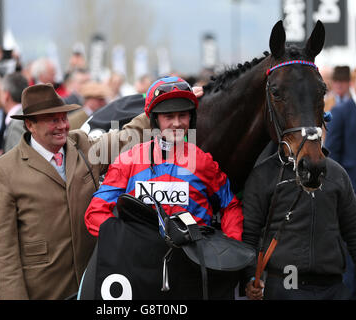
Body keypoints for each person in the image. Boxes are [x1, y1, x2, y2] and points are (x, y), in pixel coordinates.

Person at [0, 83, 151, 300]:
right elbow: (2, 254)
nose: (62, 125)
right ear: (29, 124)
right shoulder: (4, 171)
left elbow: (125, 138)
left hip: (91, 284)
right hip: (43, 290)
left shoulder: (81, 145)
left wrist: (160, 105)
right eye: (53, 120)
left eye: (63, 118)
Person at [84, 77, 244, 299]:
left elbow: (231, 206)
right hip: (140, 270)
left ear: (192, 118)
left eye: (183, 115)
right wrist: (127, 241)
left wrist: (229, 247)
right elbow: (95, 213)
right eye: (169, 116)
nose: (177, 123)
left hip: (192, 270)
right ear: (155, 120)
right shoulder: (128, 161)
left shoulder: (204, 163)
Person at [243, 144, 356, 300]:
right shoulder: (264, 175)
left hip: (333, 286)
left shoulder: (337, 173)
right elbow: (249, 232)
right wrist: (251, 278)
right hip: (285, 284)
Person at [324, 65, 356, 299]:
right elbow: (333, 155)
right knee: (352, 253)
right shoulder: (341, 112)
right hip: (354, 196)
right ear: (354, 84)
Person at [0, 72, 28, 152]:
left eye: (0, 92)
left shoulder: (17, 124)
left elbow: (20, 160)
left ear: (6, 95)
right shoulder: (24, 116)